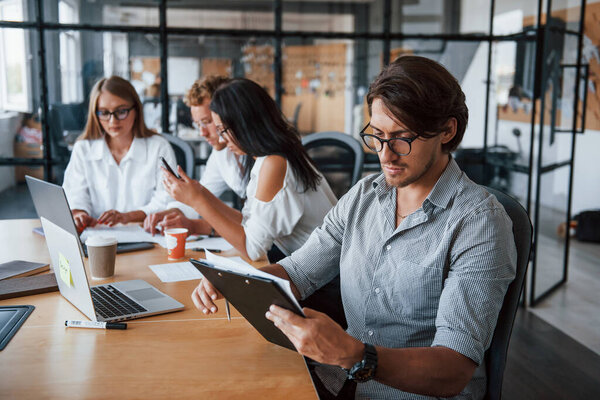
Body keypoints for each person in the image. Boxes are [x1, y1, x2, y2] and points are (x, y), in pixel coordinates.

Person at [192, 56, 517, 399]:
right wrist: (238, 283)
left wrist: (356, 355)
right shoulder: (364, 196)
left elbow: (452, 370)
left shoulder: (480, 222)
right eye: (377, 135)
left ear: (447, 131)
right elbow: (299, 271)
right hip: (344, 381)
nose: (386, 155)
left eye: (402, 138)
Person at [162, 78, 337, 262]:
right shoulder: (269, 157)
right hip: (311, 268)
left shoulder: (274, 163)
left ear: (244, 123)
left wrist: (197, 201)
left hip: (326, 279)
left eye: (222, 130)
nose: (221, 139)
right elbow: (247, 223)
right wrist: (201, 194)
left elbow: (252, 249)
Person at [63, 76, 176, 232]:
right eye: (104, 112)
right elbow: (75, 194)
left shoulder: (159, 147)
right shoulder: (83, 149)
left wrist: (126, 217)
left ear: (136, 110)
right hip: (97, 238)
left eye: (121, 111)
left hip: (146, 236)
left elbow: (167, 200)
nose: (113, 121)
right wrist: (79, 214)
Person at [143, 75, 249, 236]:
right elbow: (203, 196)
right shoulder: (220, 154)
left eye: (207, 121)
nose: (202, 133)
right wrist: (170, 213)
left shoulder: (262, 157)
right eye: (197, 124)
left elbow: (259, 229)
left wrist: (198, 226)